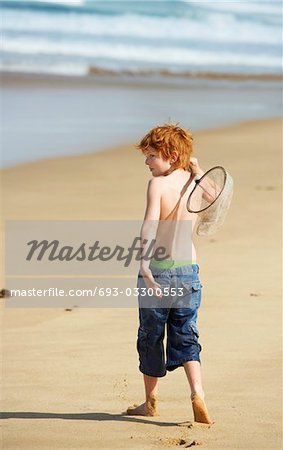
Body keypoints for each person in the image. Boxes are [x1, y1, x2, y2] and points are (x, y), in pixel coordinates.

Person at [126, 124, 213, 424]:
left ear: (171, 155)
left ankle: (150, 402)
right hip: (189, 272)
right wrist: (198, 170)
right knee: (187, 334)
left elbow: (150, 226)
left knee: (150, 336)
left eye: (151, 156)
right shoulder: (193, 180)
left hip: (160, 272)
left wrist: (143, 265)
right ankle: (198, 394)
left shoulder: (157, 186)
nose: (147, 162)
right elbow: (215, 195)